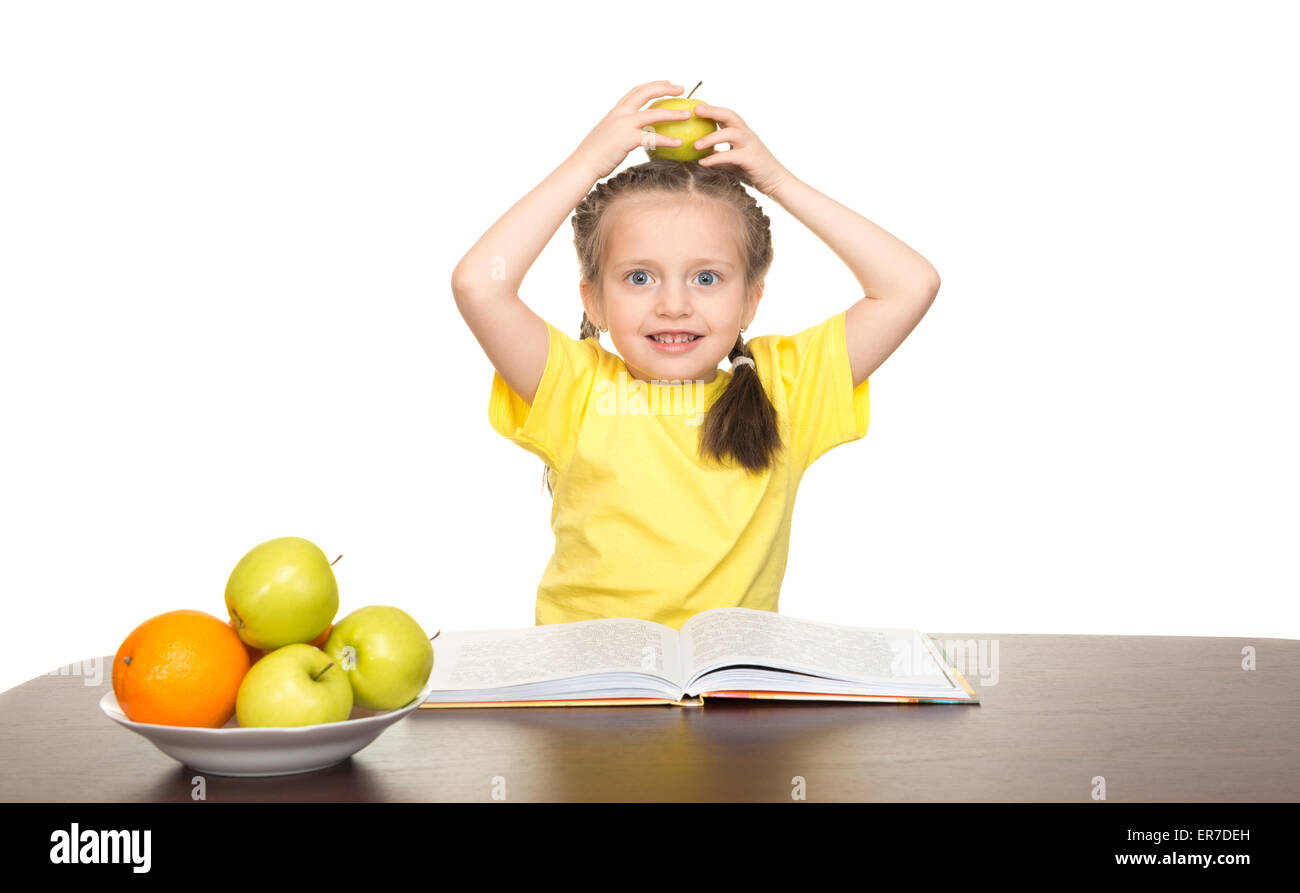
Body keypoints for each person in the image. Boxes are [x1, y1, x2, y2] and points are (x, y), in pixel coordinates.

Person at [451, 80, 940, 630]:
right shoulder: (574, 389)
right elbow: (479, 284)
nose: (674, 305)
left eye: (706, 278)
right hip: (593, 692)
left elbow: (910, 284)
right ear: (594, 299)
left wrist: (779, 182)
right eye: (640, 277)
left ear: (752, 298)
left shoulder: (787, 387)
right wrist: (586, 163)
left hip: (734, 693)